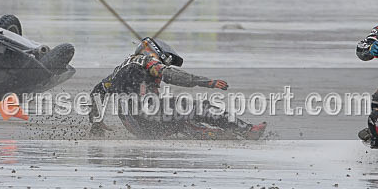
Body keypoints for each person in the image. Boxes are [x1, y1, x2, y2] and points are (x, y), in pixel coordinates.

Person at [88, 37, 266, 139]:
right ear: (157, 52)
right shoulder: (145, 60)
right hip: (148, 112)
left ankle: (221, 135)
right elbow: (170, 75)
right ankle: (247, 130)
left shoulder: (118, 70)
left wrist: (96, 123)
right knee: (198, 107)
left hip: (138, 128)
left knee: (183, 122)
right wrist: (206, 82)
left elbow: (98, 91)